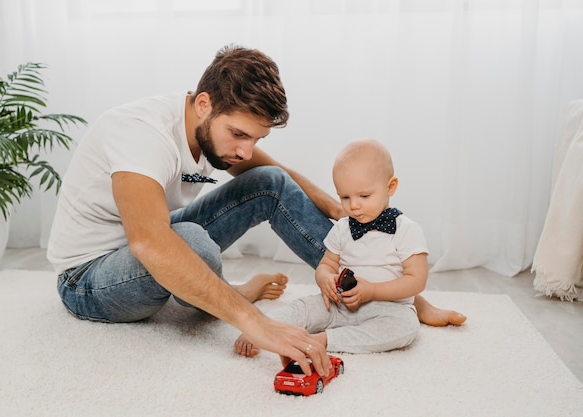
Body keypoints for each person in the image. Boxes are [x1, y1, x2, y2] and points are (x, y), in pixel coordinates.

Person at [47, 45, 463, 377]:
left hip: (147, 242)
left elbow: (274, 173)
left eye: (255, 137)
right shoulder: (142, 134)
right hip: (88, 277)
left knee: (269, 183)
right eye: (239, 135)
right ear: (205, 103)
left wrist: (342, 211)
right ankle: (233, 296)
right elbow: (148, 242)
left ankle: (402, 297)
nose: (244, 150)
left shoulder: (215, 128)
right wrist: (256, 323)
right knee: (192, 245)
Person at [234, 139, 466, 357]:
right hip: (338, 304)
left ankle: (325, 339)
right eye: (345, 197)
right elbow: (327, 264)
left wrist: (373, 291)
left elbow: (416, 281)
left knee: (405, 329)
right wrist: (324, 277)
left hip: (388, 308)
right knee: (302, 307)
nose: (353, 206)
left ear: (391, 186)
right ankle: (261, 329)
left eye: (364, 196)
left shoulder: (407, 230)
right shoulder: (343, 228)